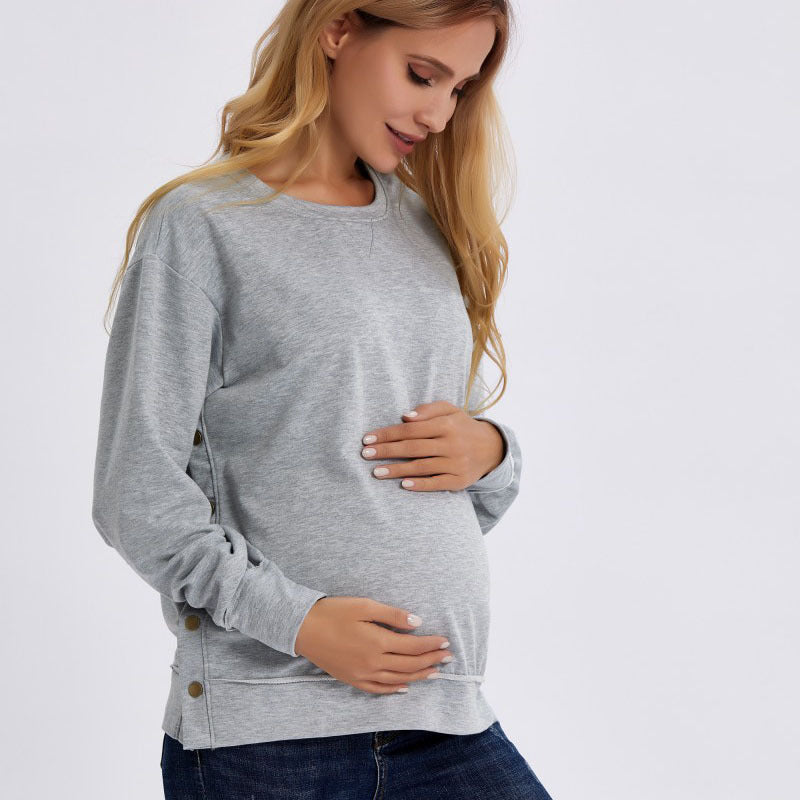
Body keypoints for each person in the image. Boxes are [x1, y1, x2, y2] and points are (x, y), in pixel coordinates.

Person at [92, 2, 554, 798]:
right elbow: (134, 496)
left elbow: (424, 480)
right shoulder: (204, 226)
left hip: (443, 717)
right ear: (338, 30)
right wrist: (300, 623)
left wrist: (491, 452)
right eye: (422, 75)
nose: (439, 115)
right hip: (271, 742)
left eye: (459, 90)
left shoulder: (427, 227)